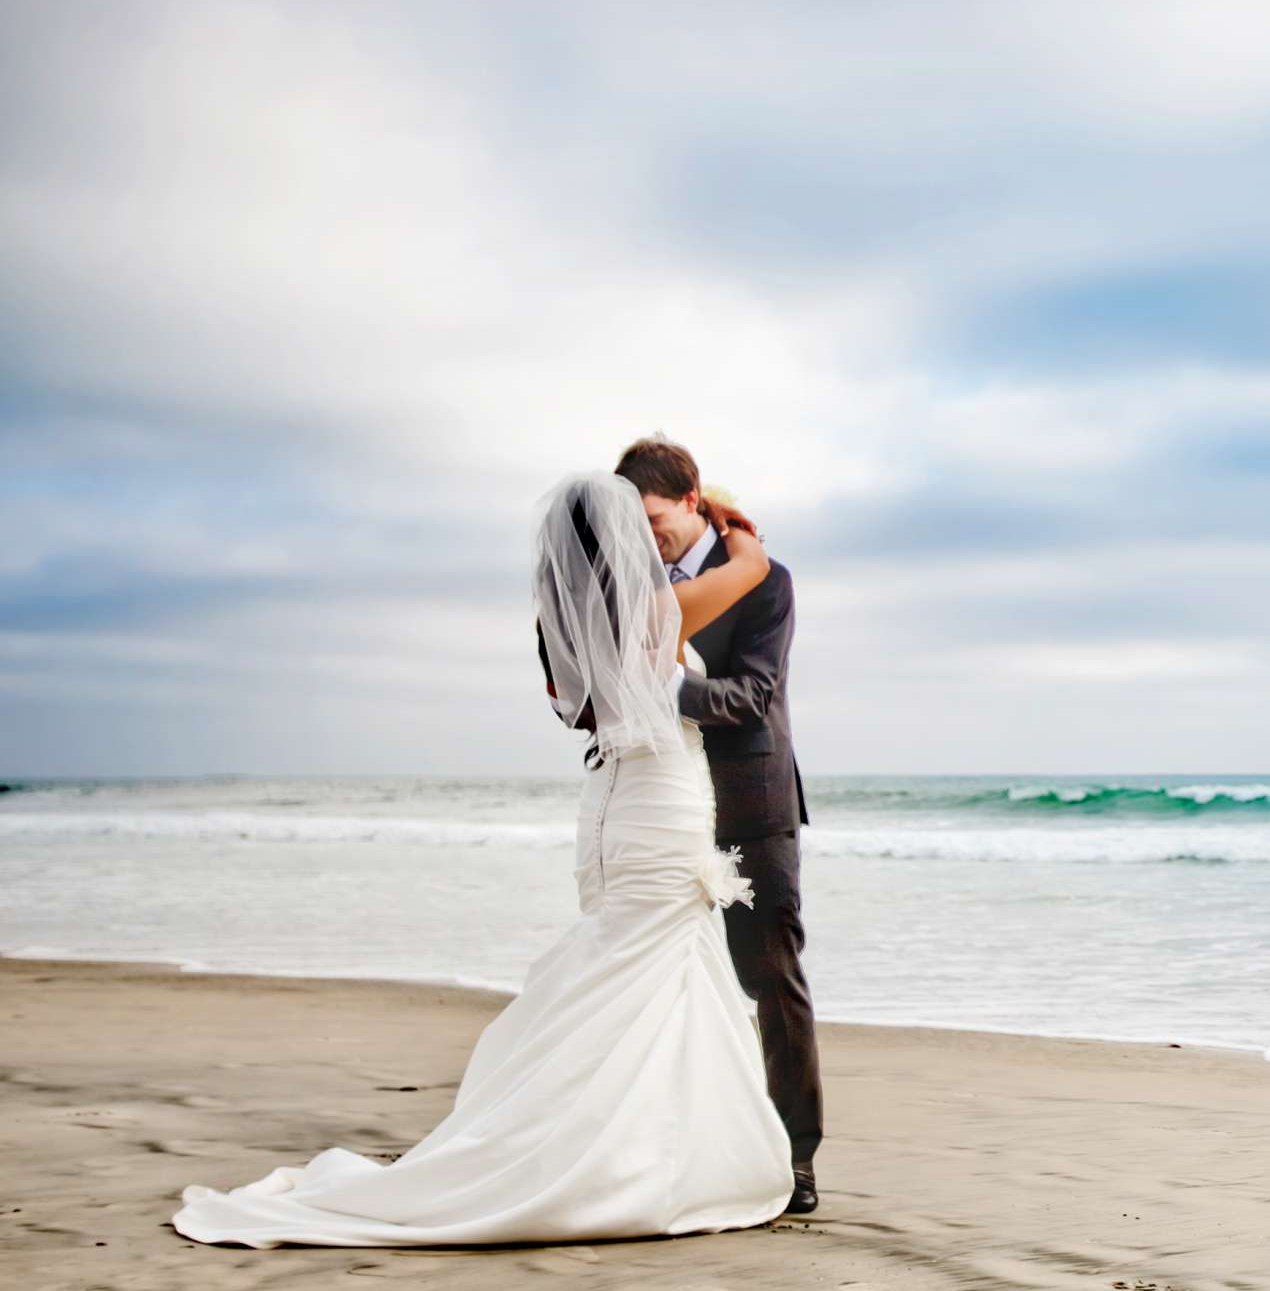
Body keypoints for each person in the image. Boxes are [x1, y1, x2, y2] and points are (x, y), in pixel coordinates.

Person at [171, 472, 793, 1247]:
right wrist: (733, 519)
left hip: (608, 808)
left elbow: (580, 708)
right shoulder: (659, 610)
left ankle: (634, 1139)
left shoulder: (559, 628)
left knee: (627, 967)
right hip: (655, 807)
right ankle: (633, 1153)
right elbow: (752, 571)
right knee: (647, 968)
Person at [613, 436, 820, 1217]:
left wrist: (658, 684)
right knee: (663, 981)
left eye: (656, 519)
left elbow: (752, 694)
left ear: (693, 502)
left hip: (749, 803)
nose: (648, 537)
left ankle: (796, 1158)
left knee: (767, 982)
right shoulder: (633, 583)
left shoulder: (766, 581)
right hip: (663, 808)